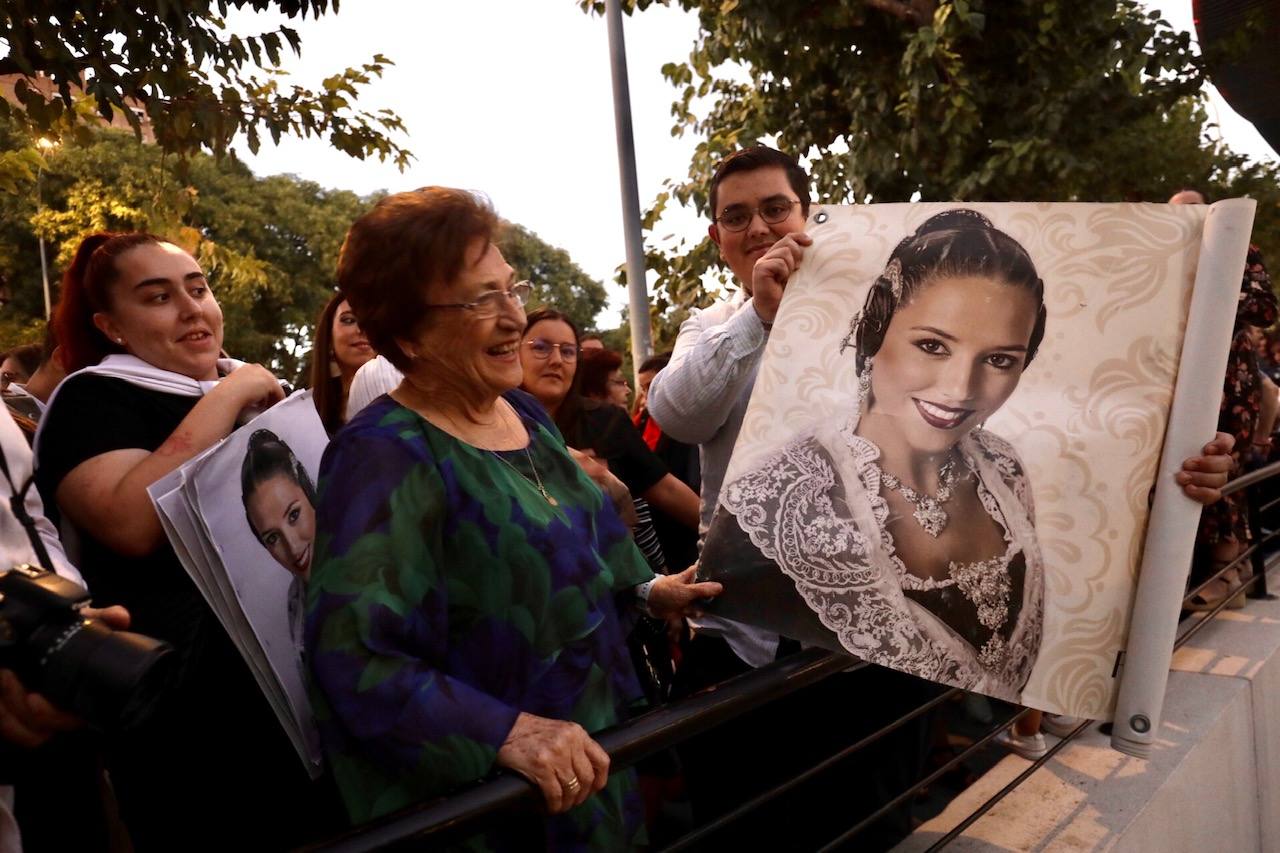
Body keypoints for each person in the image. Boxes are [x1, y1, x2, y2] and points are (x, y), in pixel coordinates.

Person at [306, 187, 718, 849]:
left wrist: (650, 589)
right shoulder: (384, 454)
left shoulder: (523, 413)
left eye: (510, 289)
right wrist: (502, 731)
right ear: (407, 331)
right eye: (479, 300)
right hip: (504, 804)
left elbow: (586, 535)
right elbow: (355, 657)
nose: (512, 319)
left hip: (597, 759)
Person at [32, 232, 331, 849]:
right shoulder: (91, 399)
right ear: (112, 327)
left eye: (199, 288)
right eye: (158, 297)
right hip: (188, 730)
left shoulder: (257, 397)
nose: (193, 308)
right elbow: (130, 522)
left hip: (303, 704)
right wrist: (229, 393)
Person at [705, 209, 1047, 700]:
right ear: (874, 330)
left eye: (999, 360)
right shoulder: (777, 498)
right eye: (932, 345)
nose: (959, 389)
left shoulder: (1003, 468)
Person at [521, 308, 700, 533]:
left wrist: (723, 537)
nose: (556, 360)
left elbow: (666, 489)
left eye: (568, 352)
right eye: (540, 347)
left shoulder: (607, 422)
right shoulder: (489, 422)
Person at [241, 428, 315, 651]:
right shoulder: (296, 603)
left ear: (310, 493)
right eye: (272, 538)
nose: (292, 548)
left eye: (294, 515)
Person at [308, 292, 376, 435]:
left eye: (371, 320)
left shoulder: (410, 406)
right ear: (329, 339)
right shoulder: (306, 415)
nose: (361, 330)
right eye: (349, 320)